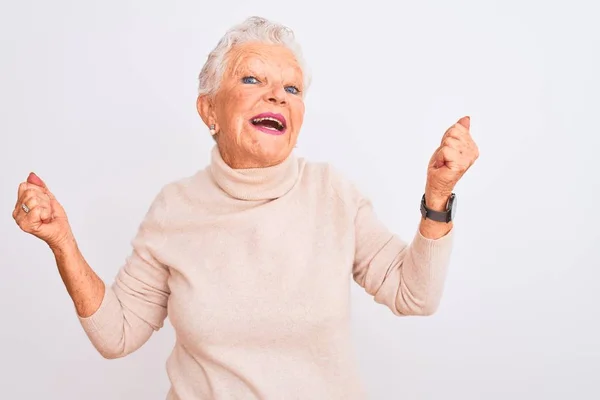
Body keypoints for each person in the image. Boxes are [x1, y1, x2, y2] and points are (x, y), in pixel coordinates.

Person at [13, 16, 479, 400]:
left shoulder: (332, 193)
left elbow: (414, 295)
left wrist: (437, 198)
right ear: (209, 111)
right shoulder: (174, 208)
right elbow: (118, 335)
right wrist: (62, 241)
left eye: (291, 89)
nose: (277, 95)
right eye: (252, 79)